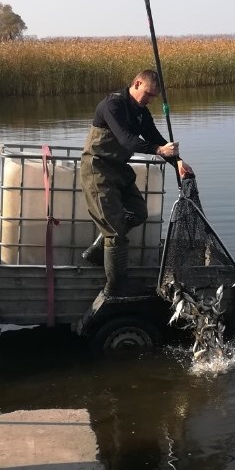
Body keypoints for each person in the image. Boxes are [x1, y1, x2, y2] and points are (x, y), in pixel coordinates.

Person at [80, 70, 193, 300]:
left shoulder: (141, 113)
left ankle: (97, 251)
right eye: (148, 94)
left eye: (153, 97)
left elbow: (156, 139)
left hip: (119, 169)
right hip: (98, 169)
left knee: (139, 213)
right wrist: (158, 151)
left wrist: (177, 162)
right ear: (137, 83)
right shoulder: (112, 105)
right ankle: (115, 288)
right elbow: (126, 140)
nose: (149, 100)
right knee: (116, 233)